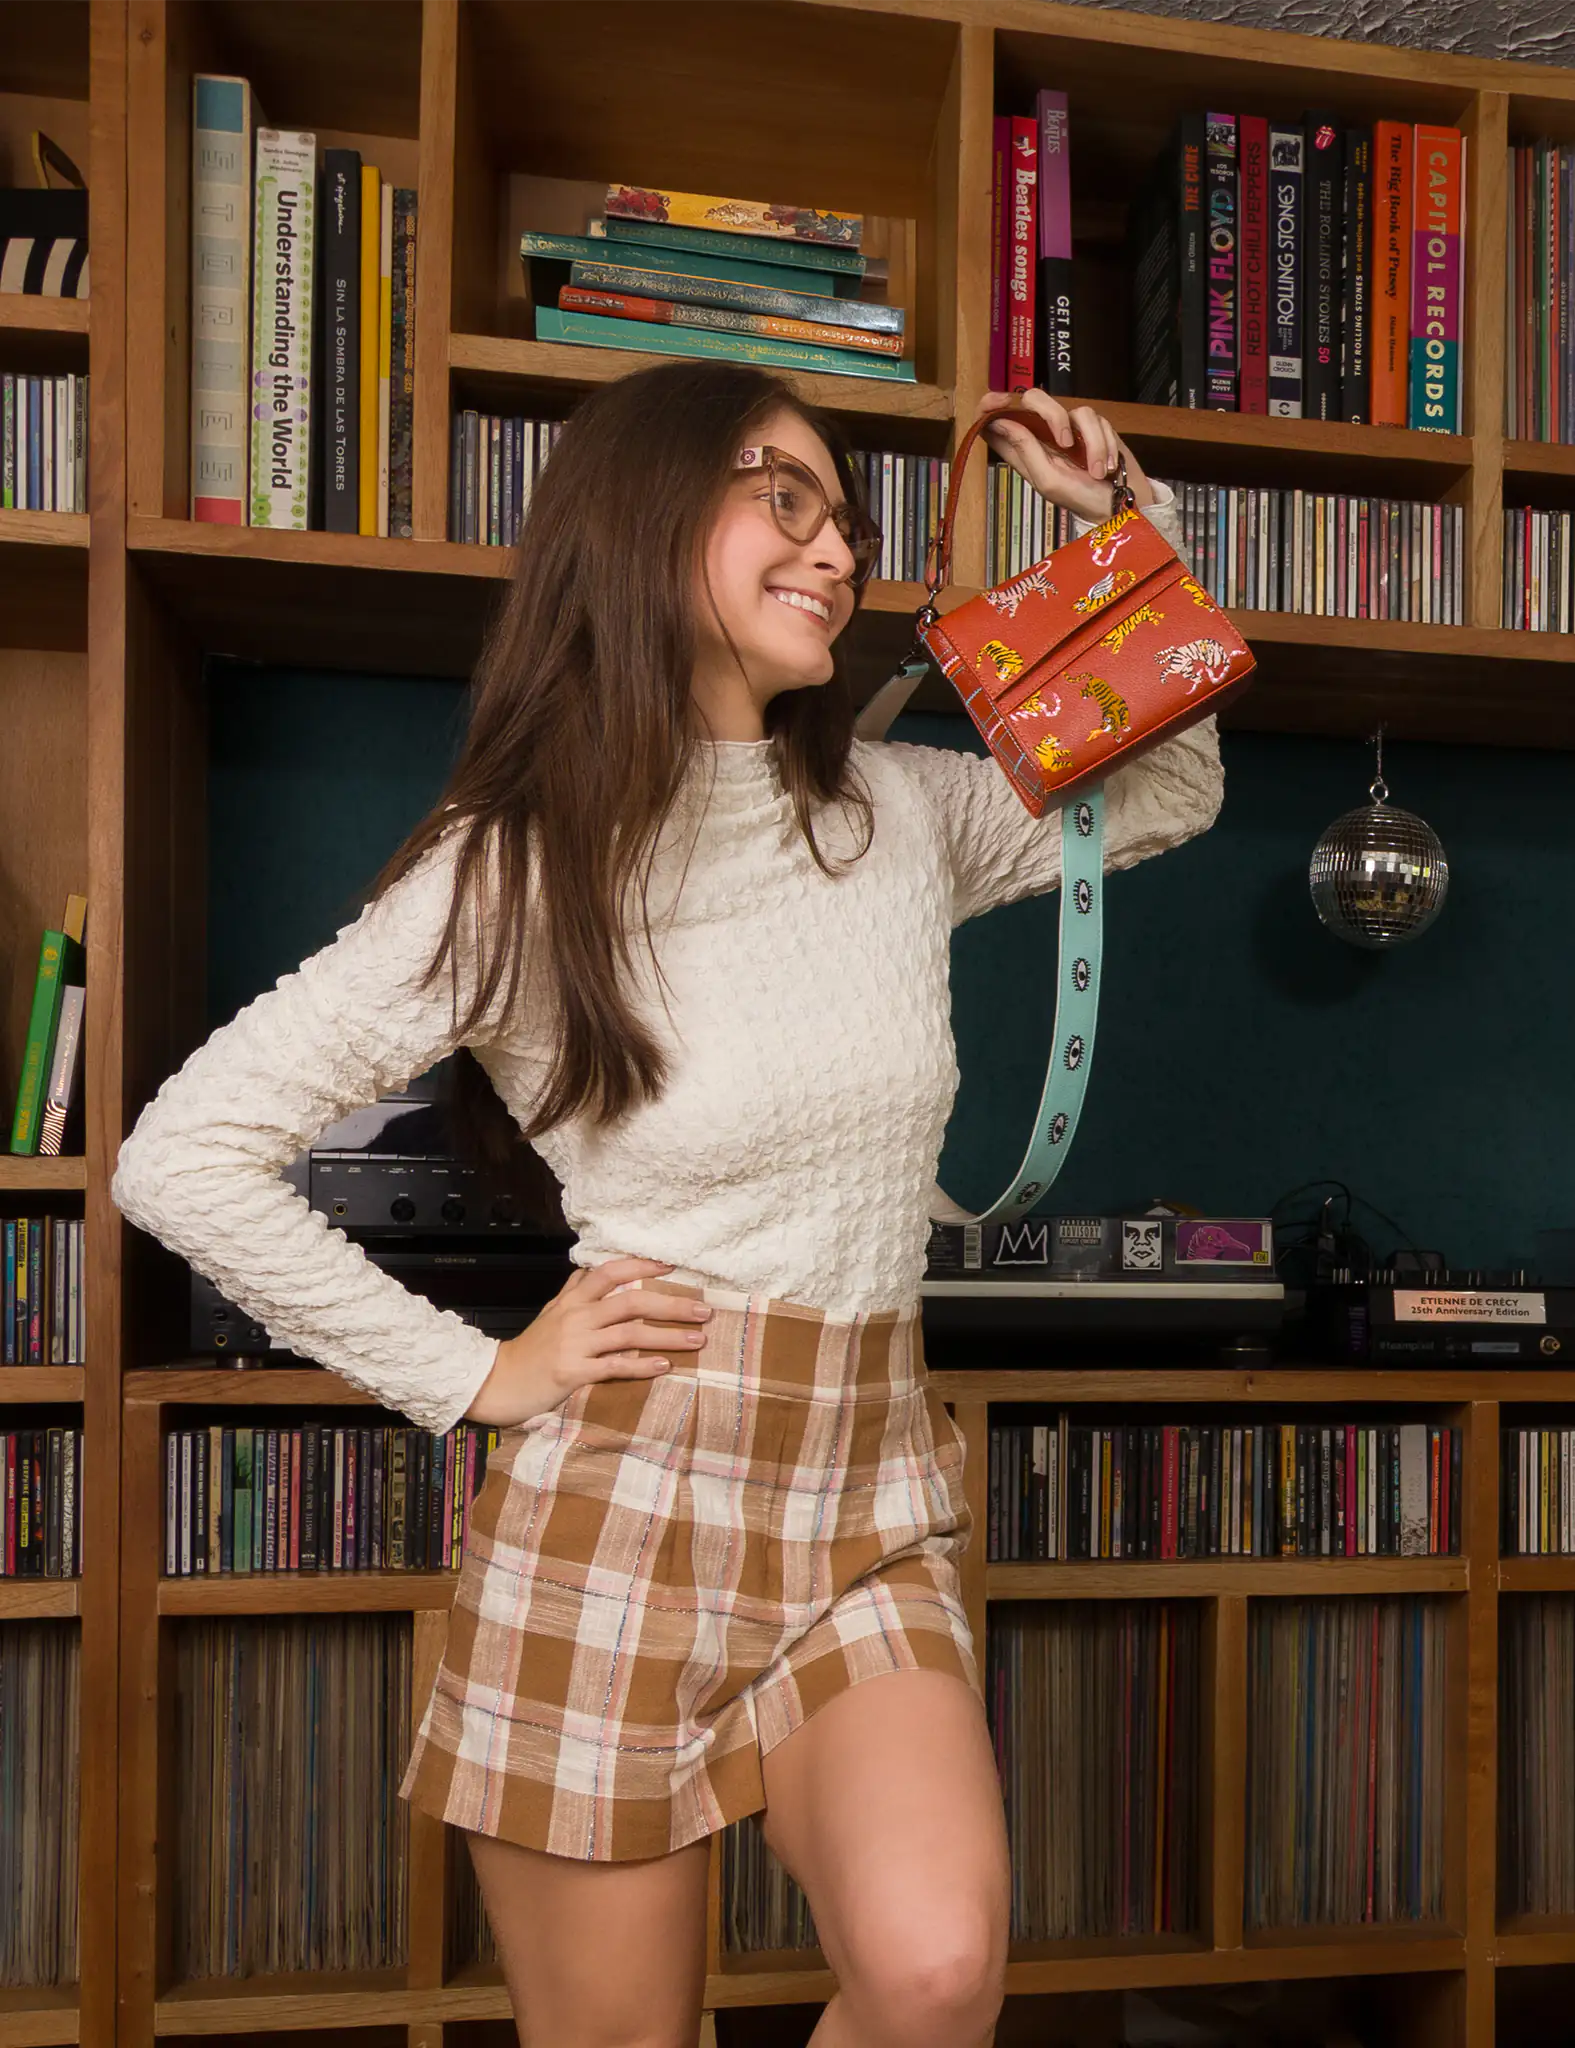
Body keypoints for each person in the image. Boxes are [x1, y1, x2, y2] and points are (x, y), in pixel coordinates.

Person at [111, 359, 1223, 2048]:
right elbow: (175, 1156)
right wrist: (480, 1379)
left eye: (845, 515)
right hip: (625, 1499)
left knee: (933, 1974)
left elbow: (1164, 790)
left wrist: (1123, 523)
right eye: (781, 495)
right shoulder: (512, 865)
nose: (836, 547)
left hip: (862, 1483)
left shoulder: (894, 810)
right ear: (638, 520)